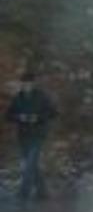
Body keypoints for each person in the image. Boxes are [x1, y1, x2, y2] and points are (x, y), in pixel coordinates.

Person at [5, 72, 57, 201]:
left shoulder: (42, 96)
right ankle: (43, 192)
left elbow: (53, 113)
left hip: (38, 135)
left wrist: (37, 118)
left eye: (28, 83)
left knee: (29, 164)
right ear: (21, 84)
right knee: (33, 165)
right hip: (23, 135)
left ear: (33, 84)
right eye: (23, 84)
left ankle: (23, 193)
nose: (26, 86)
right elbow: (8, 116)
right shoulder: (18, 98)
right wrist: (19, 117)